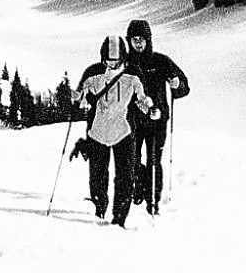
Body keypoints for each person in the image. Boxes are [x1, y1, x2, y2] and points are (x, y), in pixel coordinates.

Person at [78, 34, 158, 227]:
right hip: (98, 132)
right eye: (109, 60)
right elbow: (81, 97)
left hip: (123, 131)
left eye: (116, 60)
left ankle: (119, 217)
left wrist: (151, 109)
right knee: (97, 175)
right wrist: (78, 99)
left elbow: (142, 99)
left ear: (123, 58)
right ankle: (99, 207)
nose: (112, 64)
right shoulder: (94, 78)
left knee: (125, 177)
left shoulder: (132, 79)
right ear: (103, 58)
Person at [126, 18, 190, 215]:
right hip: (133, 121)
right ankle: (140, 186)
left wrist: (177, 85)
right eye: (134, 39)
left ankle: (153, 202)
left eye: (141, 39)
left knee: (154, 160)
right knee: (132, 159)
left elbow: (184, 87)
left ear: (148, 39)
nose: (138, 43)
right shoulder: (126, 64)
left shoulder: (161, 61)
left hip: (158, 120)